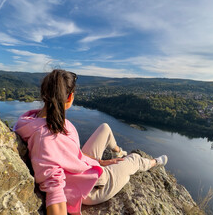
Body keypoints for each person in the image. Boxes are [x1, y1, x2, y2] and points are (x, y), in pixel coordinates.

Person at [14, 69, 168, 215]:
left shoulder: (33, 121)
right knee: (133, 159)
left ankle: (117, 151)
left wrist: (101, 161)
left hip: (82, 169)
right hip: (91, 188)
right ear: (69, 97)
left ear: (44, 94)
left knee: (105, 128)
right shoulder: (45, 138)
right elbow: (54, 188)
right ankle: (154, 162)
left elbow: (67, 155)